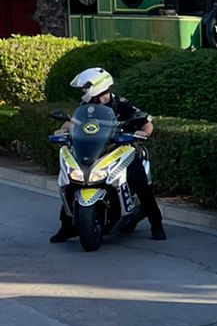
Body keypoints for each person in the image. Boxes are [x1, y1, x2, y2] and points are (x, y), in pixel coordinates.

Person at [51, 66, 165, 242]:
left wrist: (145, 133)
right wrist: (62, 130)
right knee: (72, 182)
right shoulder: (87, 107)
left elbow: (145, 122)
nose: (83, 92)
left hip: (121, 149)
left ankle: (156, 224)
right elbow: (74, 122)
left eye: (85, 88)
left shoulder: (121, 104)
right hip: (94, 150)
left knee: (141, 183)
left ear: (96, 86)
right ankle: (66, 227)